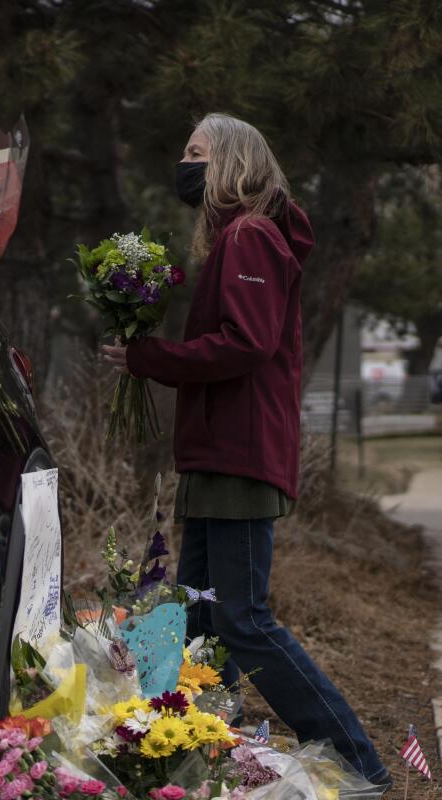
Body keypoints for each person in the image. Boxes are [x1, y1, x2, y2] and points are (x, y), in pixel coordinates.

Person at [102, 112, 391, 790]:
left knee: (242, 619)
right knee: (203, 621)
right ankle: (205, 756)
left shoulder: (252, 237)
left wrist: (153, 358)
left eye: (195, 152)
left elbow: (246, 344)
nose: (184, 162)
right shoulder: (237, 238)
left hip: (239, 453)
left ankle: (360, 764)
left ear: (231, 162)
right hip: (214, 455)